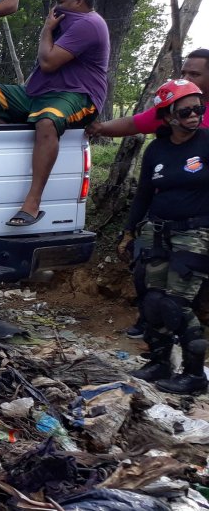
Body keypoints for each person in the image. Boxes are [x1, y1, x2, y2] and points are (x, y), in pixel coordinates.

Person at [0, 0, 108, 226]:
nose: (56, 7)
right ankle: (18, 152)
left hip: (78, 95)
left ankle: (32, 202)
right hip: (40, 93)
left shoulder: (88, 24)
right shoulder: (69, 19)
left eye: (61, 1)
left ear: (79, 1)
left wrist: (46, 29)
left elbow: (48, 62)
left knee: (47, 121)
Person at [123, 80, 209, 395]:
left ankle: (194, 374)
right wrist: (128, 231)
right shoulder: (155, 149)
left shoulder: (207, 143)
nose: (194, 115)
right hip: (156, 231)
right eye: (185, 111)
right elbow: (144, 194)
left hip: (196, 233)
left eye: (199, 108)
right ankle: (160, 363)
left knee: (177, 305)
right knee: (153, 301)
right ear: (169, 116)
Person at [89, 50, 209, 139]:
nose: (185, 79)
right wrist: (100, 128)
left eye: (194, 74)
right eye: (183, 74)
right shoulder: (172, 110)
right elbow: (132, 124)